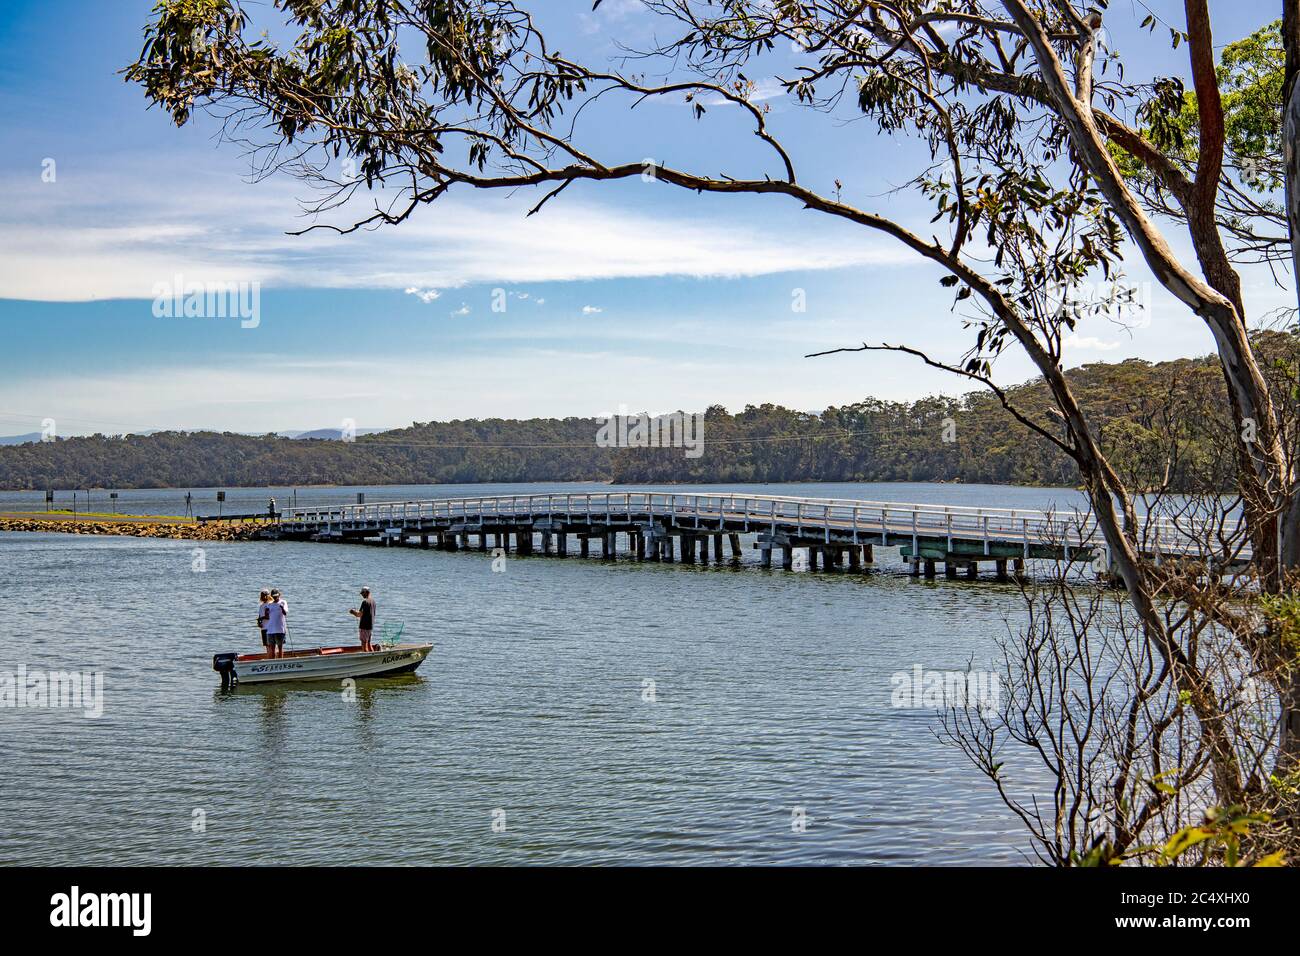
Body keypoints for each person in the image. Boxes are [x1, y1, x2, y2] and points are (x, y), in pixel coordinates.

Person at [349, 587, 376, 651]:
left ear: (366, 592)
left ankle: (367, 658)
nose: (361, 595)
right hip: (370, 626)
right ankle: (372, 656)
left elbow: (359, 614)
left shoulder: (364, 602)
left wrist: (353, 612)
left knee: (364, 644)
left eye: (362, 593)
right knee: (369, 644)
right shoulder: (373, 601)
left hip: (364, 626)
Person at [263, 588, 288, 658]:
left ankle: (280, 662)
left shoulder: (283, 602)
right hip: (270, 630)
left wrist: (282, 608)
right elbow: (267, 617)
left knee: (280, 648)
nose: (275, 597)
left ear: (279, 595)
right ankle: (273, 663)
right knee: (272, 649)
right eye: (273, 596)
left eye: (276, 596)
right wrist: (266, 612)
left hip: (280, 629)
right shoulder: (269, 605)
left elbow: (285, 613)